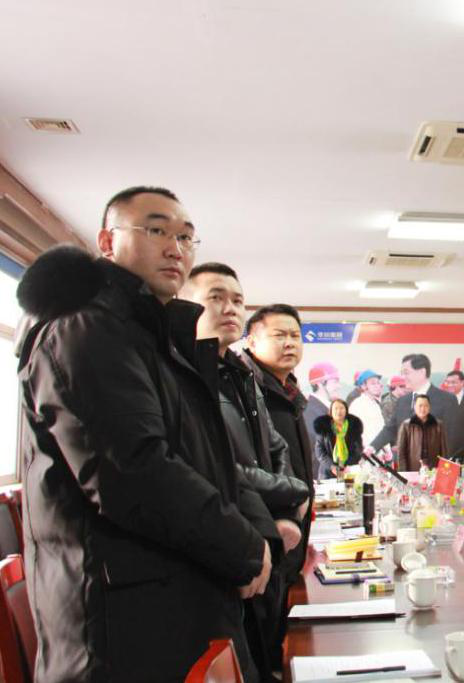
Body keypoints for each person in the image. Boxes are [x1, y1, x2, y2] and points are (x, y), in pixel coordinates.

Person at [15, 187, 273, 681]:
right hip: (120, 628)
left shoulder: (152, 338)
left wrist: (254, 535)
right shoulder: (83, 329)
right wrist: (242, 546)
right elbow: (133, 471)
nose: (176, 249)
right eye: (156, 230)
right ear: (107, 242)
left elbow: (206, 463)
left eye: (186, 237)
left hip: (170, 602)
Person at [184, 263, 310, 679]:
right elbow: (217, 466)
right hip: (232, 542)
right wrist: (293, 492)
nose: (230, 308)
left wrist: (285, 510)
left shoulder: (239, 375)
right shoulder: (186, 373)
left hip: (270, 537)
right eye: (216, 298)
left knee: (271, 653)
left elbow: (276, 448)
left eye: (238, 300)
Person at [241, 302, 315, 655]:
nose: (290, 343)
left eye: (295, 336)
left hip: (290, 535)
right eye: (279, 335)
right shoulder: (247, 389)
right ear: (252, 341)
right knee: (264, 642)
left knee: (284, 641)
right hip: (264, 535)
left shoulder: (288, 391)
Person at [371, 354, 461, 460]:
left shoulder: (446, 399)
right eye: (402, 373)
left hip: (434, 465)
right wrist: (372, 447)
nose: (403, 377)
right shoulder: (402, 401)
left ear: (422, 372)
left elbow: (452, 437)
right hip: (405, 465)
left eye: (406, 372)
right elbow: (390, 429)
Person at [395, 394, 448, 470]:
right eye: (420, 406)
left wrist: (443, 470)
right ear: (415, 407)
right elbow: (401, 452)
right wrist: (403, 471)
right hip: (413, 468)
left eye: (426, 406)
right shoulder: (406, 425)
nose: (423, 409)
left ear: (429, 407)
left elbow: (444, 451)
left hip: (434, 469)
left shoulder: (438, 425)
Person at [314, 399, 364, 478]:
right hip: (328, 472)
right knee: (329, 486)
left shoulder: (353, 427)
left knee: (349, 486)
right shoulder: (323, 427)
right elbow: (320, 452)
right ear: (331, 411)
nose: (339, 411)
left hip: (349, 471)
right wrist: (332, 466)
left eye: (341, 408)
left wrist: (347, 465)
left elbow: (358, 450)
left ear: (346, 411)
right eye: (336, 408)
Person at [303, 362, 340, 448]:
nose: (339, 386)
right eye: (335, 382)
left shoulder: (323, 410)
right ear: (320, 384)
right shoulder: (311, 413)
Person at [443, 369, 464, 461]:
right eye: (448, 382)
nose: (450, 385)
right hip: (446, 450)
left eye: (453, 382)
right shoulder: (443, 400)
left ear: (462, 382)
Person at [348, 369, 386, 448]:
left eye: (378, 383)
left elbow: (381, 430)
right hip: (367, 452)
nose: (377, 386)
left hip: (379, 451)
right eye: (373, 383)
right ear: (363, 386)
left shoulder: (375, 405)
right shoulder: (357, 405)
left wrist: (387, 450)